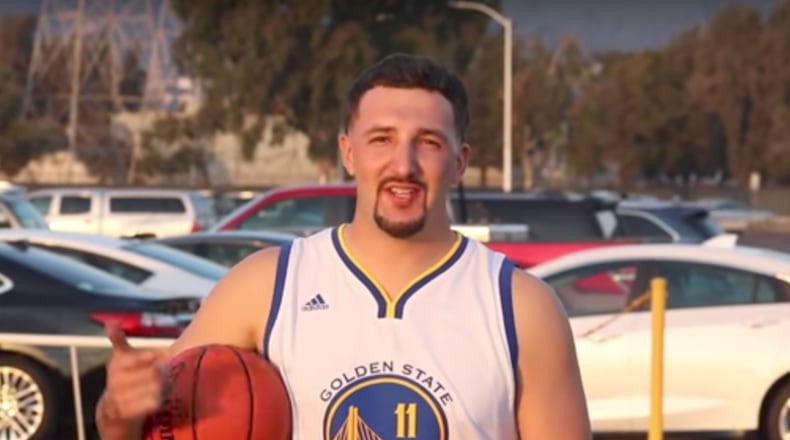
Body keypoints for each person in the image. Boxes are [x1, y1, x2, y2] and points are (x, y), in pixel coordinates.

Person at [95, 53, 592, 440]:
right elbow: (146, 427)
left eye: (429, 142)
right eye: (381, 139)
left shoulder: (520, 306)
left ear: (460, 162)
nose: (404, 164)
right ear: (348, 154)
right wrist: (118, 409)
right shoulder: (266, 286)